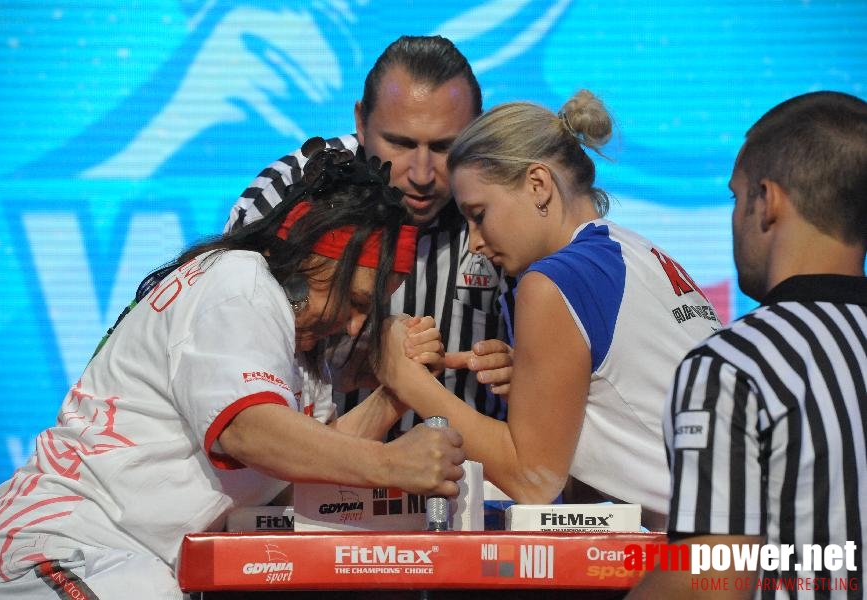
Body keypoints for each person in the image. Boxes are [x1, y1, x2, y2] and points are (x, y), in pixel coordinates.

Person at [0, 148, 466, 599]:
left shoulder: (300, 353)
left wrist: (393, 394)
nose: (357, 325)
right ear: (310, 257)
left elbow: (303, 470)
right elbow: (251, 431)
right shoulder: (239, 281)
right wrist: (391, 465)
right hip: (53, 548)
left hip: (127, 566)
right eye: (356, 301)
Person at [376, 90, 721, 528]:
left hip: (723, 549)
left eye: (479, 214)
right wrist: (543, 388)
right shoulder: (635, 250)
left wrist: (405, 379)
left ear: (538, 185)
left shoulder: (555, 281)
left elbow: (533, 480)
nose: (475, 243)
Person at [626, 91, 867, 598]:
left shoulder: (734, 366)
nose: (735, 218)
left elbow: (710, 581)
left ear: (768, 200)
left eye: (736, 198)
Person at [225, 35, 513, 434]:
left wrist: (524, 373)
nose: (422, 174)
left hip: (467, 484)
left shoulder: (506, 206)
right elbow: (227, 356)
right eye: (401, 143)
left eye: (446, 147)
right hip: (302, 479)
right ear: (360, 121)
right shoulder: (287, 193)